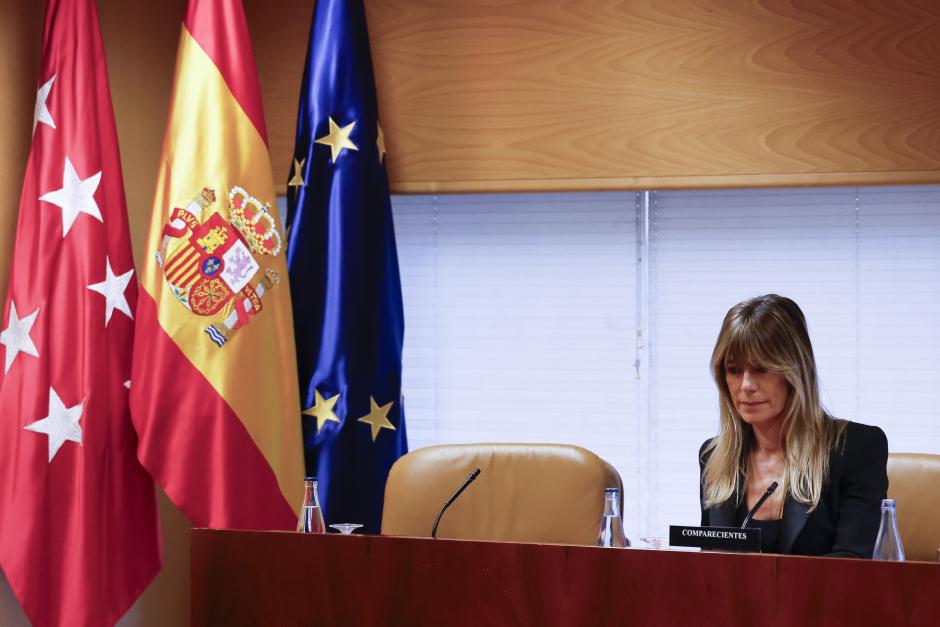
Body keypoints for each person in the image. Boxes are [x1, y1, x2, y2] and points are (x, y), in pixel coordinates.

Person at [699, 294, 888, 557]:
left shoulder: (856, 448)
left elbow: (852, 565)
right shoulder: (714, 457)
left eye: (761, 369)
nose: (746, 386)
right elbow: (710, 565)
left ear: (794, 371)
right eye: (733, 370)